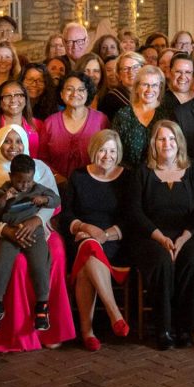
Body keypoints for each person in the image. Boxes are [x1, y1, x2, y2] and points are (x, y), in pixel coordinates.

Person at [0, 124, 74, 351]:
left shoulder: (39, 170)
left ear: (25, 144)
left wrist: (35, 220)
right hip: (5, 232)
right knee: (13, 264)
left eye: (18, 141)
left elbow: (54, 203)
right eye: (7, 141)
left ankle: (47, 322)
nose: (13, 146)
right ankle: (13, 330)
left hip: (39, 229)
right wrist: (7, 230)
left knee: (55, 254)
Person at [127, 120, 194, 350]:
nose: (167, 143)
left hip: (186, 235)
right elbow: (135, 212)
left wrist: (182, 239)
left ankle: (185, 328)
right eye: (161, 139)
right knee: (161, 262)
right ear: (154, 143)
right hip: (150, 236)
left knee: (193, 260)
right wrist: (160, 238)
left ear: (179, 142)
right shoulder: (142, 172)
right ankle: (163, 329)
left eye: (172, 138)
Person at [63, 130, 131, 351]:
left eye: (112, 151)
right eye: (102, 150)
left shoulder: (128, 177)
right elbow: (67, 215)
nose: (107, 156)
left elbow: (131, 217)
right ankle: (114, 314)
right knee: (88, 248)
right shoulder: (78, 176)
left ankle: (87, 332)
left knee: (87, 259)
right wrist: (84, 227)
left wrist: (106, 234)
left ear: (118, 152)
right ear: (94, 150)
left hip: (115, 242)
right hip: (81, 236)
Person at [0, 154, 60, 333]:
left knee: (40, 265)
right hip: (11, 234)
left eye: (28, 181)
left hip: (34, 234)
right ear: (11, 177)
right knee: (1, 265)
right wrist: (4, 200)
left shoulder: (38, 189)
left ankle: (42, 306)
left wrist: (45, 200)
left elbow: (57, 200)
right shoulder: (3, 191)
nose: (25, 185)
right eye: (19, 181)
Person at [39, 73, 109, 181]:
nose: (75, 93)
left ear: (87, 93)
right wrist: (57, 179)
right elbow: (42, 159)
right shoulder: (50, 123)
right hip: (57, 186)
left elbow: (108, 154)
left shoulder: (101, 120)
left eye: (81, 90)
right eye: (69, 89)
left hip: (93, 184)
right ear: (62, 94)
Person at [112, 65, 168, 168]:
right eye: (145, 85)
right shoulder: (123, 115)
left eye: (155, 85)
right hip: (128, 176)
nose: (149, 89)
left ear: (160, 88)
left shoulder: (168, 115)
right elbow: (115, 150)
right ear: (137, 88)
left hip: (159, 176)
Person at [0, 79, 42, 154]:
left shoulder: (38, 125)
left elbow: (44, 156)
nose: (13, 100)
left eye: (18, 95)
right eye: (7, 96)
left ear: (26, 99)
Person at [98, 51, 145, 120]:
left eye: (135, 67)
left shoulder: (149, 93)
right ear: (119, 75)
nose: (131, 72)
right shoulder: (111, 99)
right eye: (125, 69)